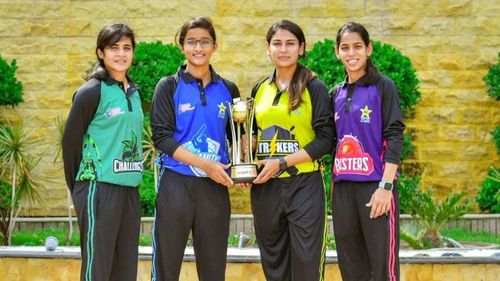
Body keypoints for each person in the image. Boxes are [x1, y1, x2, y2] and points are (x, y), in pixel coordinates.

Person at [150, 16, 240, 281]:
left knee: (213, 270)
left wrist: (242, 167)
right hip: (175, 184)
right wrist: (206, 165)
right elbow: (162, 139)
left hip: (214, 189)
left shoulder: (229, 89)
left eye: (205, 41)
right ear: (182, 46)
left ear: (215, 46)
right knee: (166, 266)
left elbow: (237, 137)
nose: (198, 48)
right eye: (192, 41)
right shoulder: (168, 86)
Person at [249, 19, 334, 281]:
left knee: (307, 264)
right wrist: (246, 161)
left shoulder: (314, 87)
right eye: (277, 44)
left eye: (290, 44)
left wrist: (283, 162)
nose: (283, 49)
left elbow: (325, 141)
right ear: (268, 48)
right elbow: (252, 136)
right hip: (265, 187)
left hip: (304, 185)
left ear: (301, 48)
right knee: (273, 263)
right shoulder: (259, 89)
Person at [62, 23, 143, 281]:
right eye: (113, 48)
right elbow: (70, 145)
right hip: (98, 188)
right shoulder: (91, 92)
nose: (121, 54)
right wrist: (80, 189)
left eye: (126, 48)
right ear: (100, 53)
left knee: (125, 268)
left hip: (129, 189)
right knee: (97, 269)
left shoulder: (135, 92)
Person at [330, 22, 406, 281]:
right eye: (345, 48)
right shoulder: (335, 93)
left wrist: (386, 186)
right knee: (351, 269)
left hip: (376, 188)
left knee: (382, 268)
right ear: (337, 52)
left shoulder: (384, 87)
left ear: (368, 48)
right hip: (342, 190)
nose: (351, 53)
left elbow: (394, 136)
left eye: (357, 47)